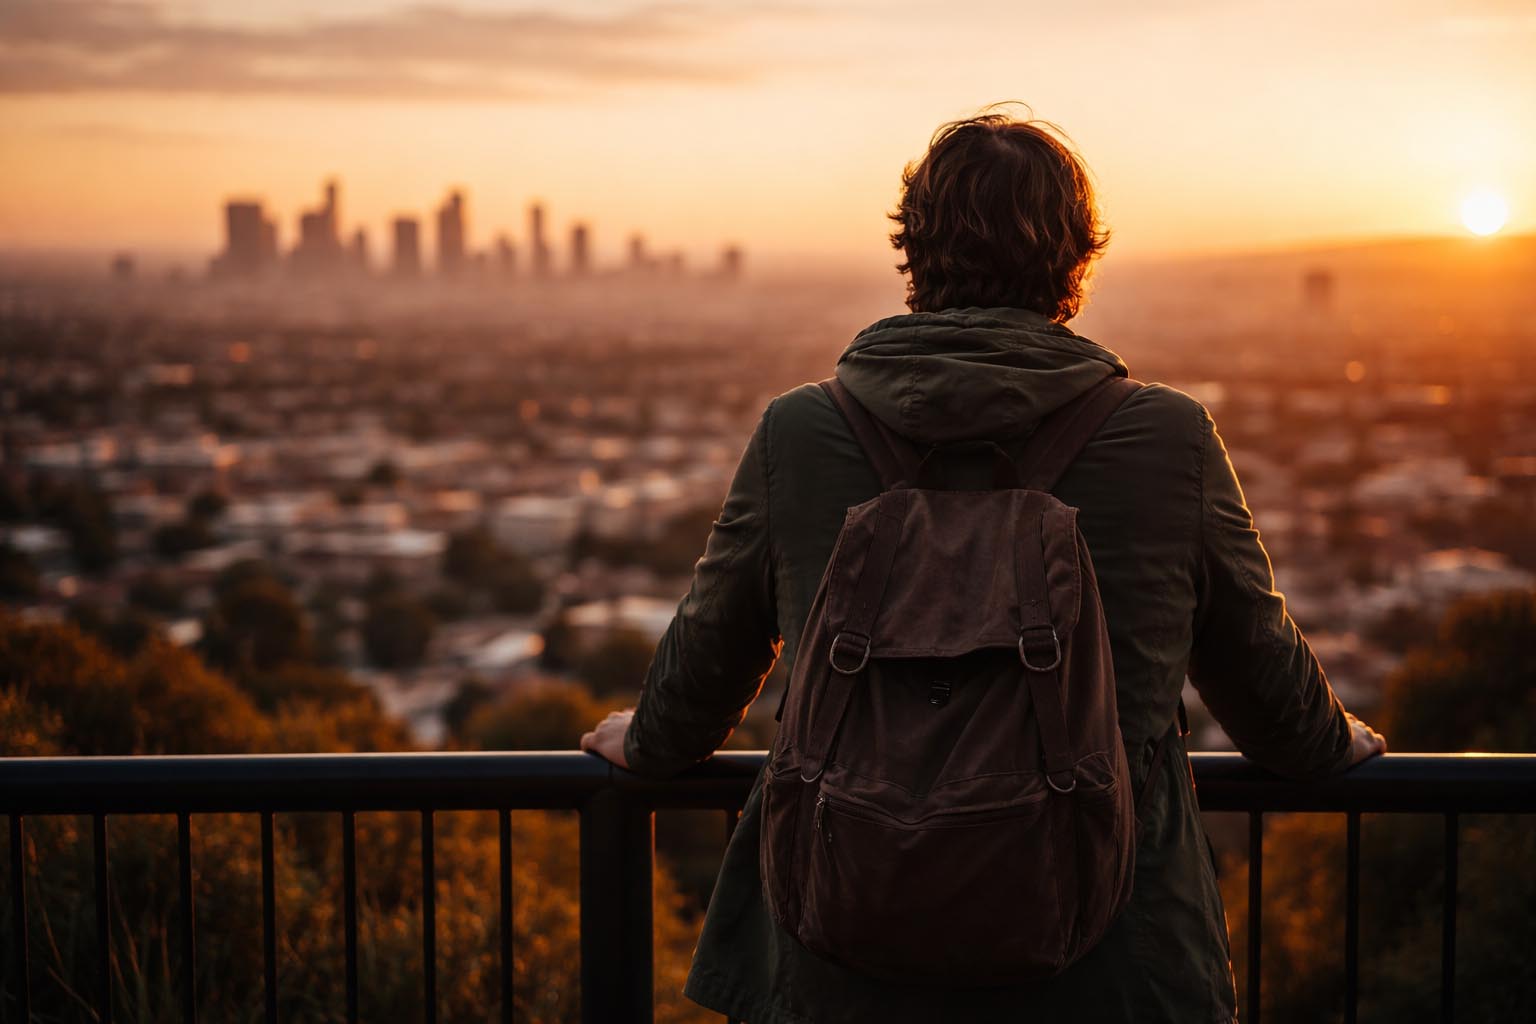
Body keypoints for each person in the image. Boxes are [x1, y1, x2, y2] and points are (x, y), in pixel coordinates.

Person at [581, 110, 1387, 1023]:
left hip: (840, 959)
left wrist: (645, 746)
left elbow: (710, 655)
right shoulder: (1167, 439)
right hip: (1111, 963)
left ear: (914, 250)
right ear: (1076, 258)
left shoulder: (801, 434)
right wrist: (1333, 744)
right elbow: (1261, 679)